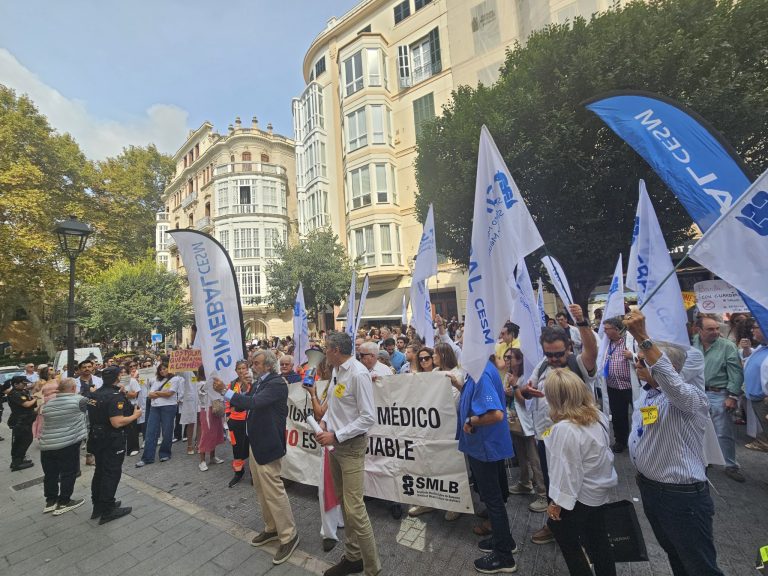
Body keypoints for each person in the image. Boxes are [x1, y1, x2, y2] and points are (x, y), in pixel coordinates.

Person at [625, 310, 726, 576]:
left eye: (642, 361)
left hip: (680, 499)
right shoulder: (649, 394)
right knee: (676, 555)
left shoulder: (690, 398)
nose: (637, 364)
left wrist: (644, 338)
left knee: (700, 565)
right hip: (652, 490)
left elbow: (671, 381)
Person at [520, 303, 597, 546]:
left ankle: (581, 532)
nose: (554, 359)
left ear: (569, 348)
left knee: (577, 487)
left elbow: (592, 352)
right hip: (547, 438)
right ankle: (555, 526)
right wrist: (526, 392)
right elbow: (524, 392)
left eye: (558, 354)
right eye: (549, 354)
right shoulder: (543, 365)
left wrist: (582, 322)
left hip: (577, 441)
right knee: (554, 486)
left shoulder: (578, 364)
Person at [214, 350, 300, 566]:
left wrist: (226, 391)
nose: (253, 366)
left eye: (258, 363)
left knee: (273, 490)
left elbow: (254, 403)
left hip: (268, 444)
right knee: (262, 489)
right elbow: (248, 401)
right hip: (257, 443)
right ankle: (272, 528)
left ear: (269, 365)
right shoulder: (262, 381)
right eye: (253, 363)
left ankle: (289, 535)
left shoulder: (276, 383)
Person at [316, 332, 381, 576]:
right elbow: (334, 404)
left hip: (351, 448)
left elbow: (367, 418)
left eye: (326, 348)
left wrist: (337, 435)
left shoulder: (358, 373)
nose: (324, 352)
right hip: (336, 447)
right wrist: (324, 423)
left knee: (355, 509)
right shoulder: (337, 370)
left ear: (336, 350)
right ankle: (353, 557)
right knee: (345, 502)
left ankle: (373, 568)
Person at [544, 369, 617, 576]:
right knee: (599, 540)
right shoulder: (599, 416)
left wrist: (556, 503)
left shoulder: (565, 429)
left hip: (580, 496)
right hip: (599, 490)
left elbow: (566, 471)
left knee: (567, 540)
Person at [457, 358, 517, 574]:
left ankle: (504, 557)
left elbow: (495, 414)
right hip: (485, 446)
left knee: (493, 500)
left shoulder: (481, 374)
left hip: (484, 447)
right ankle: (505, 540)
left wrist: (470, 421)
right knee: (495, 498)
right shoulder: (481, 370)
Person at [409, 342, 465, 521]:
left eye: (435, 355)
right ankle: (428, 502)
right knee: (429, 463)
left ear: (444, 355)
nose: (432, 358)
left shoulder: (457, 375)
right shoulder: (434, 373)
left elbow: (454, 402)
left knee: (450, 464)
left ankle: (455, 504)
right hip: (431, 426)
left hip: (449, 427)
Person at [693, 314, 745, 482]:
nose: (715, 332)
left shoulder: (727, 346)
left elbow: (736, 373)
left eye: (717, 328)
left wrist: (732, 396)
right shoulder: (692, 343)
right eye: (710, 329)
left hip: (719, 393)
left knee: (723, 432)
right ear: (699, 330)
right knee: (699, 429)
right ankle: (706, 459)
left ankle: (730, 465)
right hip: (697, 393)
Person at [87, 366, 141, 523]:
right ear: (118, 377)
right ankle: (108, 509)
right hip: (111, 439)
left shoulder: (95, 394)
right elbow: (117, 422)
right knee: (111, 472)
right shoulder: (114, 396)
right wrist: (135, 415)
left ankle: (99, 505)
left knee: (100, 471)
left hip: (96, 437)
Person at [305, 357, 345, 552]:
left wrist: (312, 394)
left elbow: (321, 412)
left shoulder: (339, 385)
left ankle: (329, 532)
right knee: (335, 486)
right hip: (337, 441)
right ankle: (337, 522)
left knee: (328, 488)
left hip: (335, 443)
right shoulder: (334, 386)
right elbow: (325, 415)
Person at [504, 348, 547, 514]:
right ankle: (524, 482)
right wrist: (508, 392)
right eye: (505, 357)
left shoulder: (526, 377)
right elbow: (509, 397)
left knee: (534, 459)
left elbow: (524, 401)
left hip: (528, 422)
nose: (506, 360)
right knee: (521, 455)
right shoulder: (508, 376)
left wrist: (515, 387)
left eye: (510, 357)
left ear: (519, 360)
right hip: (514, 421)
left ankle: (543, 493)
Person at [39, 378, 88, 515]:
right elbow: (94, 403)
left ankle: (50, 501)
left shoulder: (48, 404)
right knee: (68, 473)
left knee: (50, 474)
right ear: (73, 388)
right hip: (67, 443)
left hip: (47, 445)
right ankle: (64, 502)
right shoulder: (79, 400)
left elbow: (38, 411)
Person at [135, 363, 182, 467]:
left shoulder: (175, 379)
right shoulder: (155, 379)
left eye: (164, 369)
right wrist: (160, 393)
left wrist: (157, 393)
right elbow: (150, 394)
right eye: (160, 370)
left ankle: (165, 453)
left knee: (167, 431)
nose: (162, 371)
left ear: (169, 369)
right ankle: (147, 458)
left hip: (169, 407)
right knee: (150, 432)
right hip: (155, 408)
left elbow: (169, 394)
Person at [601, 317, 634, 453]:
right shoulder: (607, 343)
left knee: (638, 412)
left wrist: (632, 355)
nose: (605, 332)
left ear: (616, 329)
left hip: (630, 386)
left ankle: (641, 439)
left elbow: (643, 355)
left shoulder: (630, 341)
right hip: (613, 386)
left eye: (606, 329)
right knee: (617, 415)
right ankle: (621, 441)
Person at [224, 360, 252, 487]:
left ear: (248, 369)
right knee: (236, 447)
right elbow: (227, 401)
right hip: (234, 421)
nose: (241, 371)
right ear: (236, 370)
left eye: (243, 368)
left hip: (249, 420)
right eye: (239, 369)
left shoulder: (252, 383)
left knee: (251, 446)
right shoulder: (232, 384)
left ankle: (253, 473)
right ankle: (238, 472)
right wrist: (228, 415)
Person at [742, 322, 768, 451]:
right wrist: (746, 349)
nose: (752, 331)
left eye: (755, 328)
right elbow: (749, 362)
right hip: (757, 400)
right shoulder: (762, 347)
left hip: (765, 402)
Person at [196, 365, 226, 471]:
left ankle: (212, 457)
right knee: (206, 434)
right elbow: (202, 397)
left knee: (216, 433)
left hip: (215, 409)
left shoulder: (214, 381)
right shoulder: (200, 383)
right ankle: (202, 461)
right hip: (206, 410)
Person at [7, 375, 37, 471]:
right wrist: (36, 398)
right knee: (21, 441)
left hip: (26, 420)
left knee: (26, 440)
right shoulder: (14, 393)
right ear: (15, 384)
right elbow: (26, 404)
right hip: (19, 422)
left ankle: (19, 459)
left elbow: (31, 402)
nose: (25, 386)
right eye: (23, 384)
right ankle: (16, 463)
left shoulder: (22, 391)